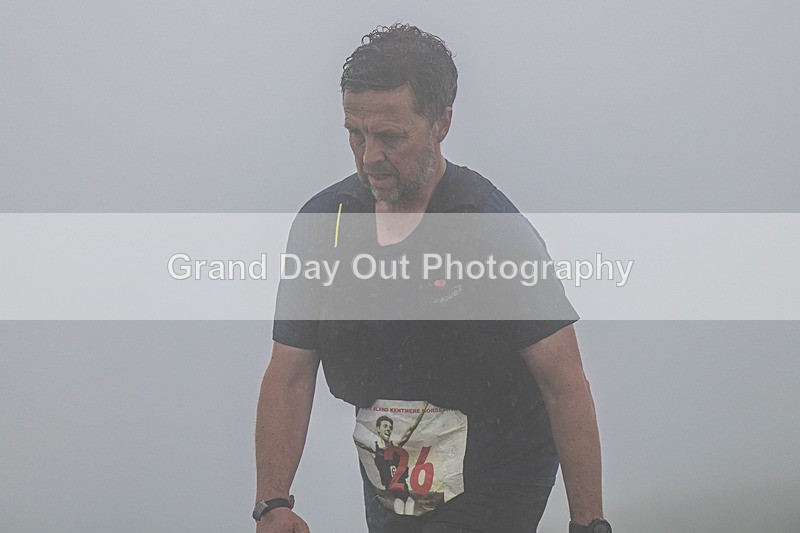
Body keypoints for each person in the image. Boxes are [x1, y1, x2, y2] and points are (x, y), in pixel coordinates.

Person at [255, 23, 611, 533]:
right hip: (393, 471)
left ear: (441, 123)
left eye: (390, 137)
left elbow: (565, 384)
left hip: (499, 466)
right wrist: (272, 503)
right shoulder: (325, 227)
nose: (369, 156)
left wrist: (589, 524)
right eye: (356, 134)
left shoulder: (488, 228)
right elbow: (289, 373)